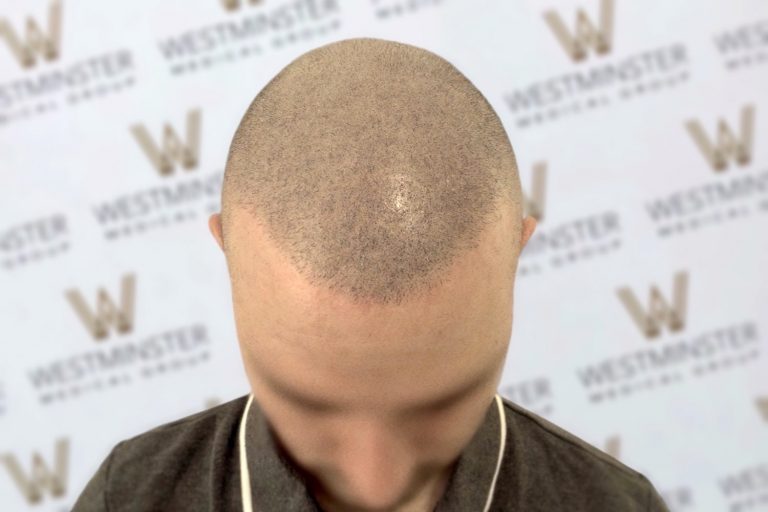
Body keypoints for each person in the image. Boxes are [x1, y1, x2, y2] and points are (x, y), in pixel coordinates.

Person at [72, 37, 670, 512]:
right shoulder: (130, 500)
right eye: (311, 410)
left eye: (438, 411)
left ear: (518, 251)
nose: (376, 486)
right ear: (227, 250)